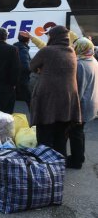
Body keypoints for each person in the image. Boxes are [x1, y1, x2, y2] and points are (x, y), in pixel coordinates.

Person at [30, 25, 81, 157]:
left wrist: (41, 69)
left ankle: (46, 166)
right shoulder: (71, 51)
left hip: (48, 100)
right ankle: (59, 166)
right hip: (67, 102)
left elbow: (32, 66)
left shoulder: (47, 51)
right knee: (61, 138)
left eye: (49, 35)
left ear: (54, 37)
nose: (48, 37)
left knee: (45, 135)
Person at [67, 37, 98, 169]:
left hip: (82, 104)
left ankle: (76, 161)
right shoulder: (93, 60)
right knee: (79, 131)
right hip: (91, 102)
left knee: (75, 132)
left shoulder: (80, 64)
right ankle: (80, 156)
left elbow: (77, 88)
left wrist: (71, 107)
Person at [13, 34, 32, 109]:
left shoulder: (14, 48)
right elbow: (25, 67)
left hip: (14, 80)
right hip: (23, 80)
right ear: (28, 40)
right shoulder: (23, 49)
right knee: (29, 101)